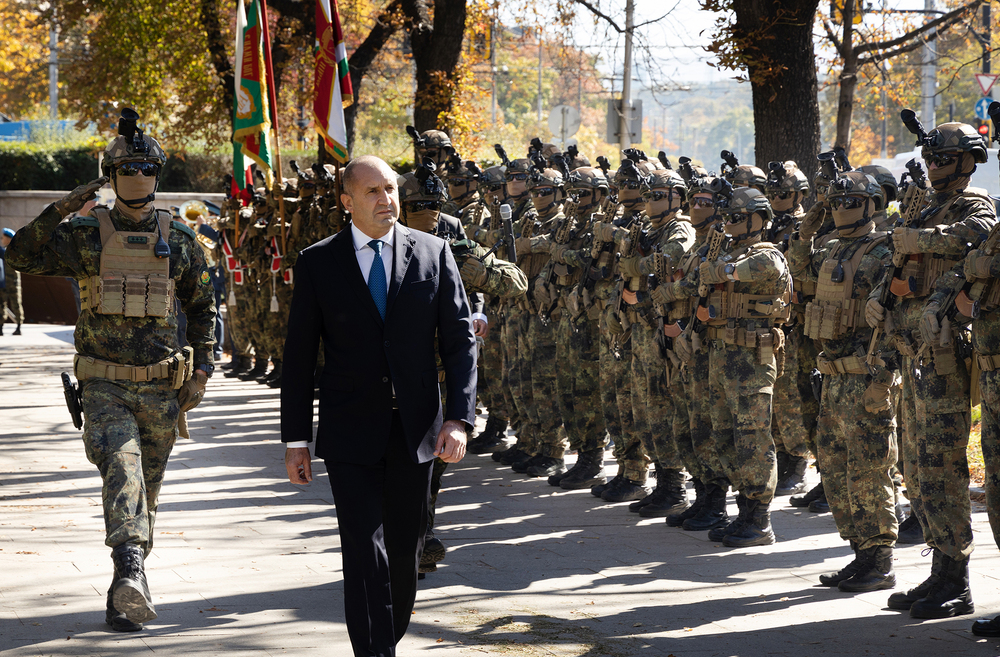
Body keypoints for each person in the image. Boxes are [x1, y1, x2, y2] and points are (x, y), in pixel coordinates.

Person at [5, 108, 216, 632]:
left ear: (157, 175)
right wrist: (66, 204)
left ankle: (127, 586)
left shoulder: (181, 240)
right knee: (122, 472)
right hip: (103, 384)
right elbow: (22, 256)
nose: (138, 178)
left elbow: (203, 306)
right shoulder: (85, 233)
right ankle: (129, 573)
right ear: (111, 174)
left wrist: (203, 372)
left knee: (145, 488)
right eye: (127, 170)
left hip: (164, 390)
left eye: (147, 170)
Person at [280, 155, 477, 657]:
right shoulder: (319, 262)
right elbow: (300, 355)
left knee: (406, 554)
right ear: (347, 201)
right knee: (363, 550)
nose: (387, 199)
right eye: (373, 191)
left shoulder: (434, 253)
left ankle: (382, 639)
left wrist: (459, 417)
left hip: (417, 431)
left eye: (390, 189)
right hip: (350, 430)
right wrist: (296, 439)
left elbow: (458, 343)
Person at [866, 120, 995, 619]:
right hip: (912, 353)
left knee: (941, 466)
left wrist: (914, 238)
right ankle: (941, 568)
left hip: (944, 356)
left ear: (966, 161)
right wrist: (882, 296)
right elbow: (898, 264)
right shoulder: (924, 207)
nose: (936, 166)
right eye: (932, 158)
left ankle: (955, 578)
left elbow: (975, 236)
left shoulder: (972, 206)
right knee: (918, 467)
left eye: (944, 158)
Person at [0, 227, 23, 335]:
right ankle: (0, 327)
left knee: (16, 304)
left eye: (3, 237)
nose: (1, 239)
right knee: (2, 304)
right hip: (4, 282)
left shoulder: (14, 251)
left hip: (13, 283)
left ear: (9, 239)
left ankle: (19, 326)